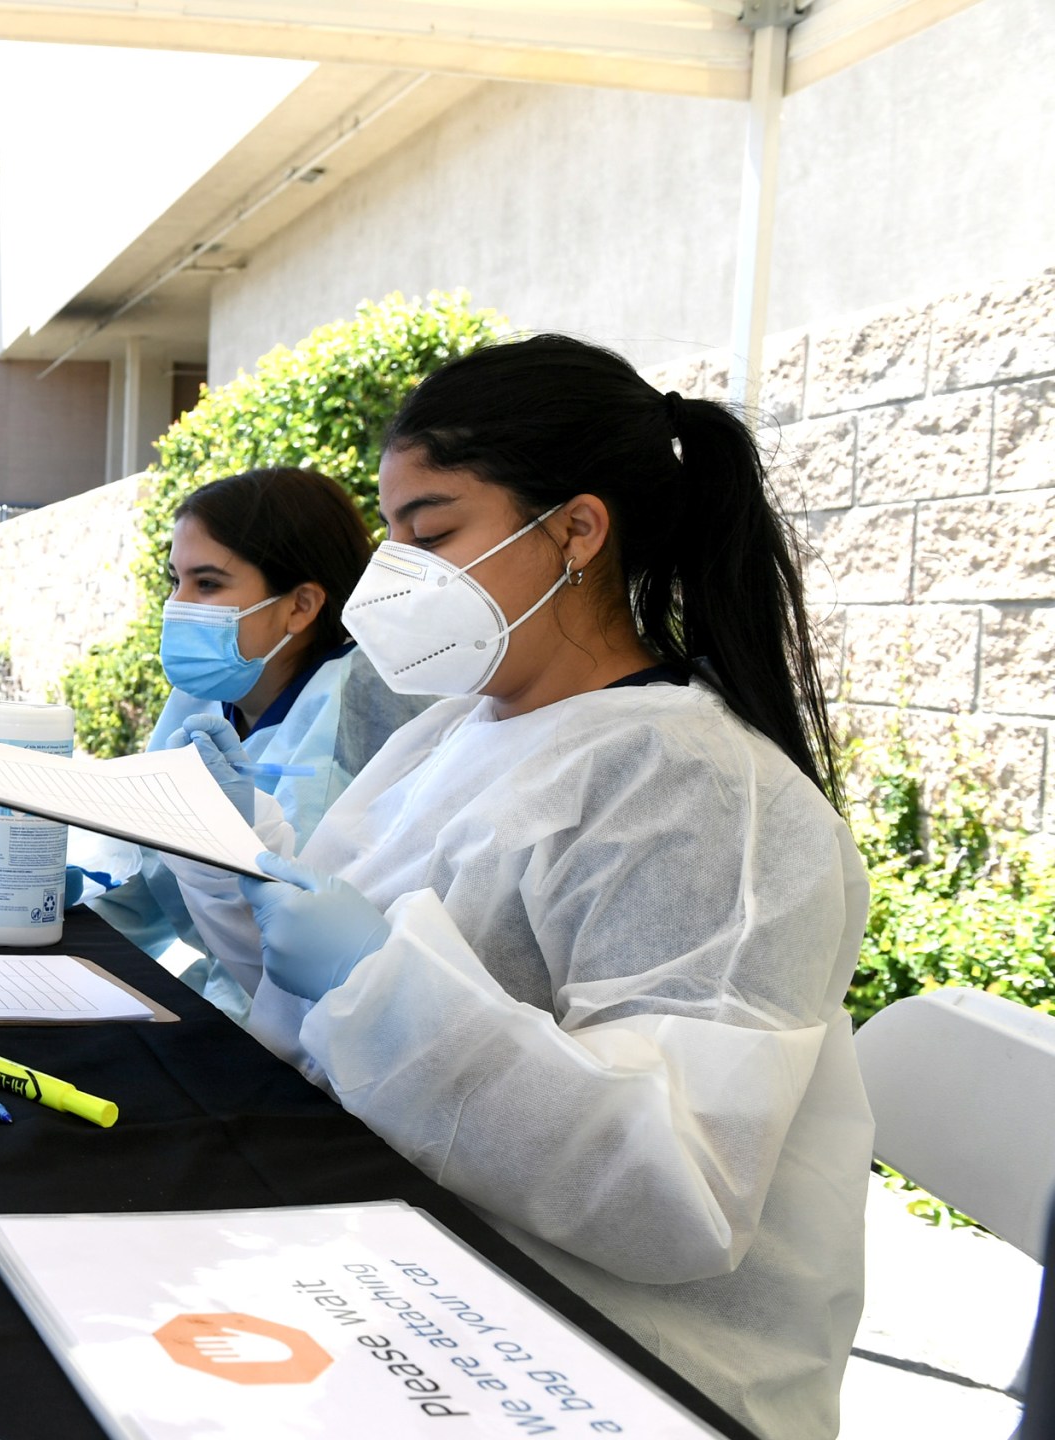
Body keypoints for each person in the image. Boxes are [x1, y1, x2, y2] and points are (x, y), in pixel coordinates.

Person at [164, 335, 873, 1440]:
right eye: (392, 535)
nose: (395, 576)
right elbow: (309, 993)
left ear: (576, 531)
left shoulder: (694, 789)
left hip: (608, 1361)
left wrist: (383, 983)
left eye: (433, 532)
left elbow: (675, 1191)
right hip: (414, 1267)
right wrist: (227, 852)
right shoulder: (457, 731)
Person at [89, 468, 431, 1019]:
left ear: (300, 605)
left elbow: (298, 938)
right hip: (216, 1003)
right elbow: (147, 877)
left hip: (306, 1036)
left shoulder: (359, 710)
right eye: (174, 580)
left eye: (208, 583)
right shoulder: (206, 696)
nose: (179, 606)